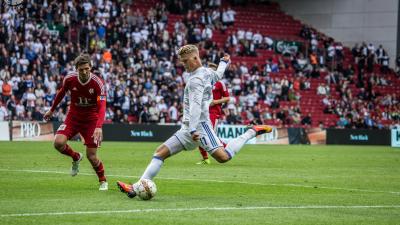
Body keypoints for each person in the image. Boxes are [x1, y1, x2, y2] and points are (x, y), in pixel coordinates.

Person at [116, 45, 272, 198]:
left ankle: (252, 131)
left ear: (196, 58)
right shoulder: (207, 72)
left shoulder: (195, 80)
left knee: (223, 157)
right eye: (182, 62)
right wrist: (224, 62)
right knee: (159, 153)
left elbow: (196, 106)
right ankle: (136, 188)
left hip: (200, 127)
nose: (183, 65)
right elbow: (218, 74)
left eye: (185, 61)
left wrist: (192, 130)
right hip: (188, 128)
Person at [44, 54, 108, 191]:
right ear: (76, 69)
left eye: (86, 69)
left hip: (91, 120)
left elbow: (102, 106)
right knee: (58, 143)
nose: (84, 72)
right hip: (73, 117)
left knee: (92, 156)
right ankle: (76, 157)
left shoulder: (98, 83)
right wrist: (52, 110)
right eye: (81, 69)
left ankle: (103, 180)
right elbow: (61, 93)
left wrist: (99, 126)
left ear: (91, 68)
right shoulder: (70, 79)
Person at [196, 62, 230, 165]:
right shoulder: (203, 82)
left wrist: (215, 102)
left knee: (210, 136)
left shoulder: (220, 83)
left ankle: (229, 149)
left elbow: (227, 98)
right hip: (201, 112)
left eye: (211, 70)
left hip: (213, 113)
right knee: (199, 135)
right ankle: (205, 158)